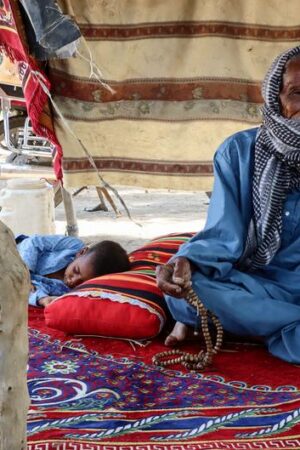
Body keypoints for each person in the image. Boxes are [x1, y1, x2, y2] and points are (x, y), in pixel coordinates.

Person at [156, 45, 300, 364]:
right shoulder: (238, 153)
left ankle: (269, 325)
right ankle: (287, 326)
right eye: (297, 93)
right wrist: (186, 263)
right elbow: (223, 236)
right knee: (186, 296)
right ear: (275, 97)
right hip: (254, 284)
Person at [17, 234, 130, 307]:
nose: (73, 281)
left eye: (81, 282)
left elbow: (28, 288)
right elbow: (33, 242)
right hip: (11, 251)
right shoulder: (73, 246)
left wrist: (42, 299)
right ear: (82, 253)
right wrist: (25, 271)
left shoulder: (64, 290)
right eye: (76, 270)